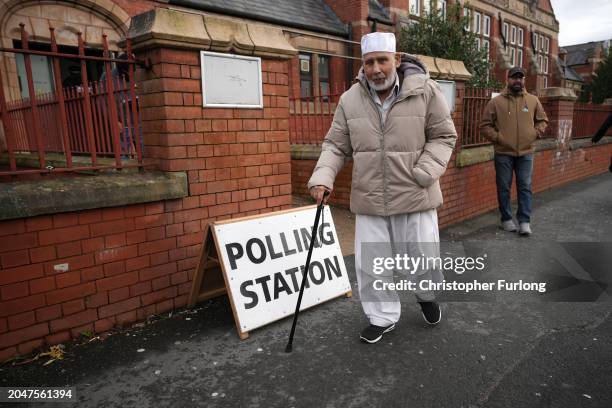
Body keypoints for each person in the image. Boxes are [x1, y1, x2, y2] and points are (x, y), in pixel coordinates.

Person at [308, 32, 457, 344]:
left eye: (382, 60)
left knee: (421, 259)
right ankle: (382, 316)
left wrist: (425, 172)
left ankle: (426, 295)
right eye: (369, 62)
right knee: (372, 264)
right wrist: (323, 177)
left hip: (415, 193)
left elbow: (444, 136)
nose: (376, 69)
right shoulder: (350, 100)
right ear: (363, 65)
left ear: (396, 60)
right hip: (370, 198)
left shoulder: (425, 91)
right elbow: (335, 145)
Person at [480, 67, 548, 236]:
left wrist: (535, 133)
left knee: (525, 186)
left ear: (524, 80)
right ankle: (506, 219)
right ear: (508, 79)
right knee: (504, 187)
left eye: (521, 78)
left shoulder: (533, 100)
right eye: (514, 78)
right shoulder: (496, 102)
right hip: (503, 153)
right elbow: (484, 125)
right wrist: (498, 138)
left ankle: (524, 221)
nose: (517, 81)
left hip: (526, 153)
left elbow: (543, 120)